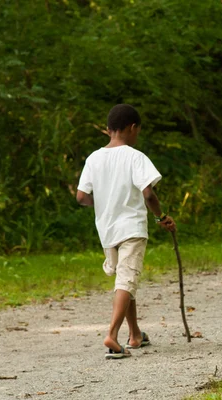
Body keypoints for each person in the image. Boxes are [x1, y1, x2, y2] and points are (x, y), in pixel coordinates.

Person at [76, 104, 176, 359]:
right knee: (126, 281)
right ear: (133, 128)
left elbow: (81, 196)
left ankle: (135, 335)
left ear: (109, 129)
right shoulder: (135, 157)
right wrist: (160, 217)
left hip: (107, 231)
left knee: (126, 280)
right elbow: (149, 193)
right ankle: (112, 335)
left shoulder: (93, 158)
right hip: (131, 228)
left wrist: (104, 203)